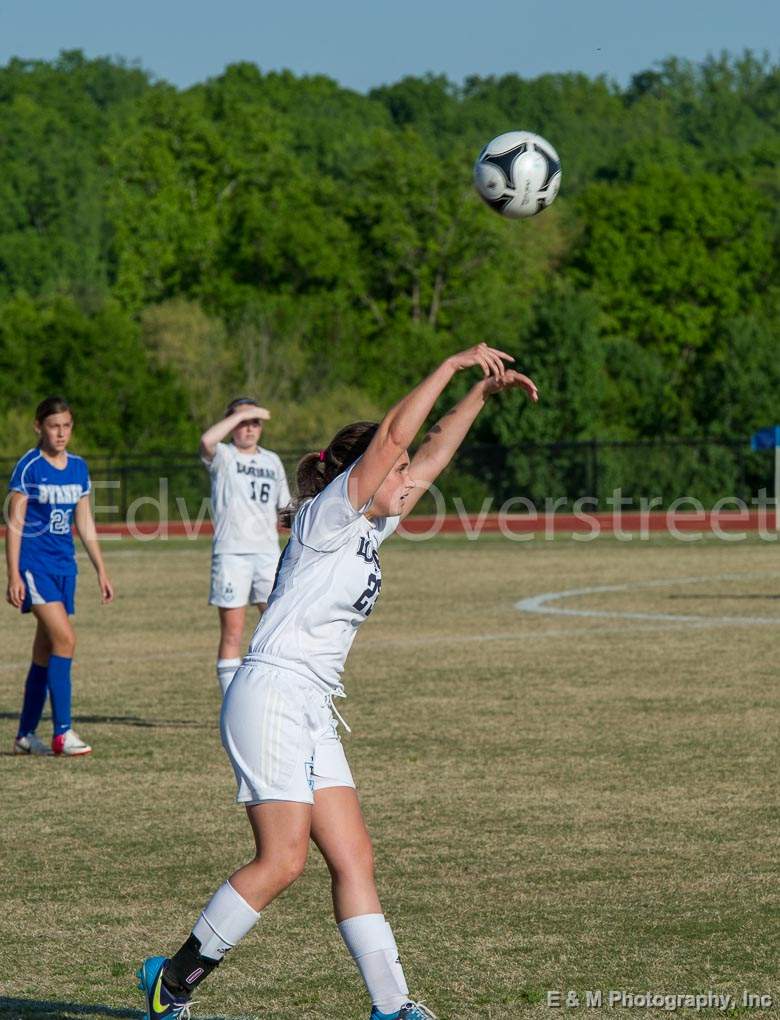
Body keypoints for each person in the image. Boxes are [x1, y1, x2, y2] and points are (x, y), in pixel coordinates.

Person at [137, 344, 538, 1020]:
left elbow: (431, 451)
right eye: (396, 471)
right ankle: (172, 981)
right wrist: (450, 365)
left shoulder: (370, 529)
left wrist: (479, 396)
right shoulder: (329, 516)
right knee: (283, 861)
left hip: (310, 706)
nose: (409, 480)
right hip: (269, 694)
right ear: (362, 472)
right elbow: (397, 436)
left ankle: (393, 1006)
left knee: (355, 859)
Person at [5, 396, 114, 757]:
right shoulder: (29, 467)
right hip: (34, 568)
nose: (61, 432)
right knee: (66, 640)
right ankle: (62, 733)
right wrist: (13, 576)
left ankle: (25, 735)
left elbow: (84, 520)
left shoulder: (78, 467)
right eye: (54, 426)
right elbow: (14, 525)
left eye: (67, 425)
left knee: (45, 650)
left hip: (65, 567)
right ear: (39, 427)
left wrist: (101, 568)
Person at [199, 398, 291, 696]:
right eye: (242, 422)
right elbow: (206, 439)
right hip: (232, 554)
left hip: (267, 554)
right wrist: (244, 412)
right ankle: (231, 705)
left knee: (276, 628)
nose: (249, 428)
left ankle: (272, 695)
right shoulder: (224, 455)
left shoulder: (272, 460)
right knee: (233, 632)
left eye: (255, 422)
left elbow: (285, 509)